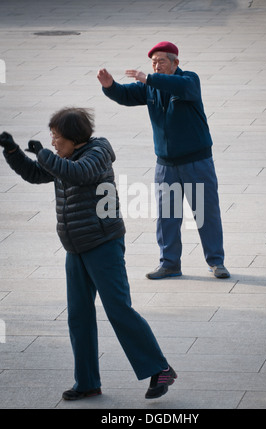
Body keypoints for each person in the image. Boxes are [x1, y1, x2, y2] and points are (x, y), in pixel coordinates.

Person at [0, 107, 177, 401]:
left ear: (73, 138)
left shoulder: (97, 154)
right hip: (76, 247)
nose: (53, 142)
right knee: (78, 316)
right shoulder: (64, 158)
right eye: (52, 137)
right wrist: (12, 150)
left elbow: (78, 175)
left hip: (103, 244)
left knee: (118, 309)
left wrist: (44, 154)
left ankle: (160, 369)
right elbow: (35, 174)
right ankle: (87, 382)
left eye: (56, 137)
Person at [97, 41, 230, 280]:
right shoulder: (150, 86)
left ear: (175, 62)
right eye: (153, 62)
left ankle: (216, 262)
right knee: (167, 216)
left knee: (205, 213)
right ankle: (169, 264)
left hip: (196, 163)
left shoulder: (189, 80)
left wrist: (148, 78)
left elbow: (178, 86)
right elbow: (126, 94)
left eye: (161, 61)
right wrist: (110, 87)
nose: (156, 66)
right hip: (166, 165)